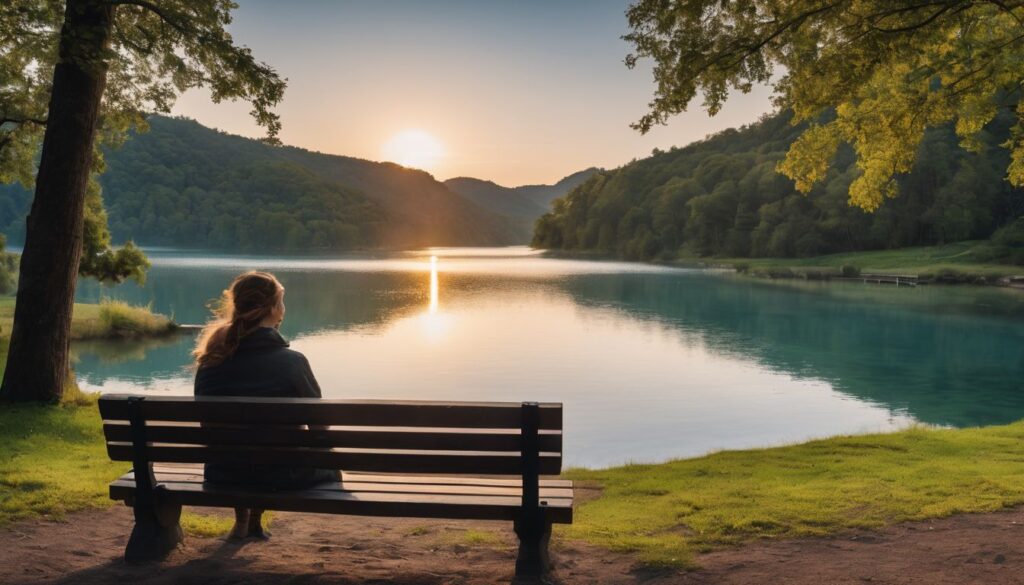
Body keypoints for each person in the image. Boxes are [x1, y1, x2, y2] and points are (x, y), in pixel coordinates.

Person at [193, 271, 338, 540]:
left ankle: (243, 522)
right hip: (283, 476)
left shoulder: (210, 362)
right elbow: (320, 425)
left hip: (223, 473)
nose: (283, 310)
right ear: (270, 310)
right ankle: (254, 522)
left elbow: (208, 427)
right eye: (281, 303)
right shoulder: (292, 362)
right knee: (308, 460)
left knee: (241, 447)